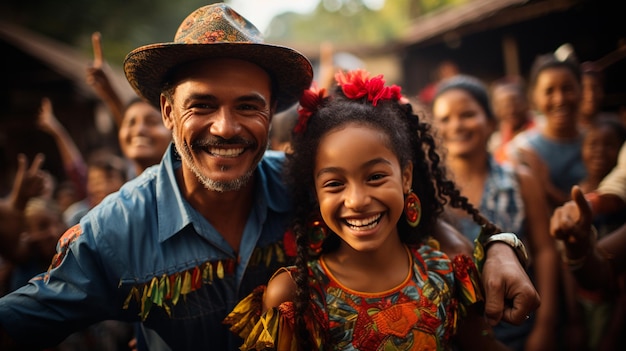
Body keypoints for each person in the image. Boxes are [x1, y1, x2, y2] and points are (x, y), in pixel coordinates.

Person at [0, 3, 538, 350]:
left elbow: (416, 216)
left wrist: (502, 249)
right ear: (167, 111)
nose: (226, 127)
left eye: (248, 106)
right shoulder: (115, 230)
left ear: (271, 114)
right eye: (202, 105)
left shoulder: (310, 186)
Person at [225, 69, 511, 350]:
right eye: (335, 183)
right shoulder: (296, 297)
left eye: (375, 177)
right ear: (315, 192)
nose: (357, 200)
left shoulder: (445, 269)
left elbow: (483, 343)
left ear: (406, 177)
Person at [431, 75, 559, 351]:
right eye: (445, 119)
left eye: (467, 115)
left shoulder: (520, 180)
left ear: (491, 122)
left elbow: (546, 251)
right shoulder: (427, 192)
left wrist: (546, 325)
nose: (456, 125)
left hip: (520, 327)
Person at [506, 53, 586, 209]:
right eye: (549, 91)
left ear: (581, 90)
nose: (560, 100)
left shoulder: (599, 140)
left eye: (567, 88)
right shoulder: (521, 150)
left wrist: (546, 186)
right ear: (534, 97)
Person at [488, 77, 536, 165]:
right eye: (503, 105)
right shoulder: (496, 142)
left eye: (516, 102)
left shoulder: (541, 130)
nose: (511, 110)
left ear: (526, 100)